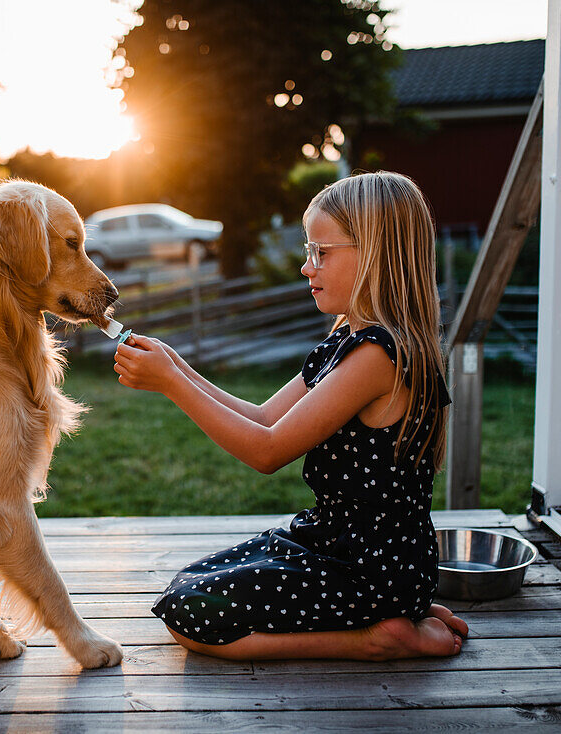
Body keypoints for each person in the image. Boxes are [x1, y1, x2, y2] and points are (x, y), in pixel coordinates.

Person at [112, 171, 469, 661]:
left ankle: (373, 638)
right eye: (309, 251)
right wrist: (178, 367)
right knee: (192, 583)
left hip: (367, 567)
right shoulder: (345, 343)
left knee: (192, 616)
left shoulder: (378, 356)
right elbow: (263, 419)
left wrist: (172, 385)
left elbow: (267, 451)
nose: (307, 267)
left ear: (376, 254)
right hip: (335, 543)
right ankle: (408, 614)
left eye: (322, 252)